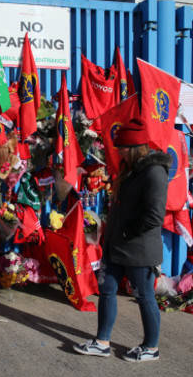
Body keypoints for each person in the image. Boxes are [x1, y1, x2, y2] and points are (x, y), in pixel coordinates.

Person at [73, 118, 171, 362]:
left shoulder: (154, 172)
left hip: (139, 249)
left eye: (122, 148)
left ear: (135, 147)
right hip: (116, 245)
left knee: (144, 296)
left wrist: (128, 232)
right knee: (106, 290)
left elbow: (155, 215)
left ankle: (151, 347)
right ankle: (102, 342)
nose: (119, 152)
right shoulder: (130, 171)